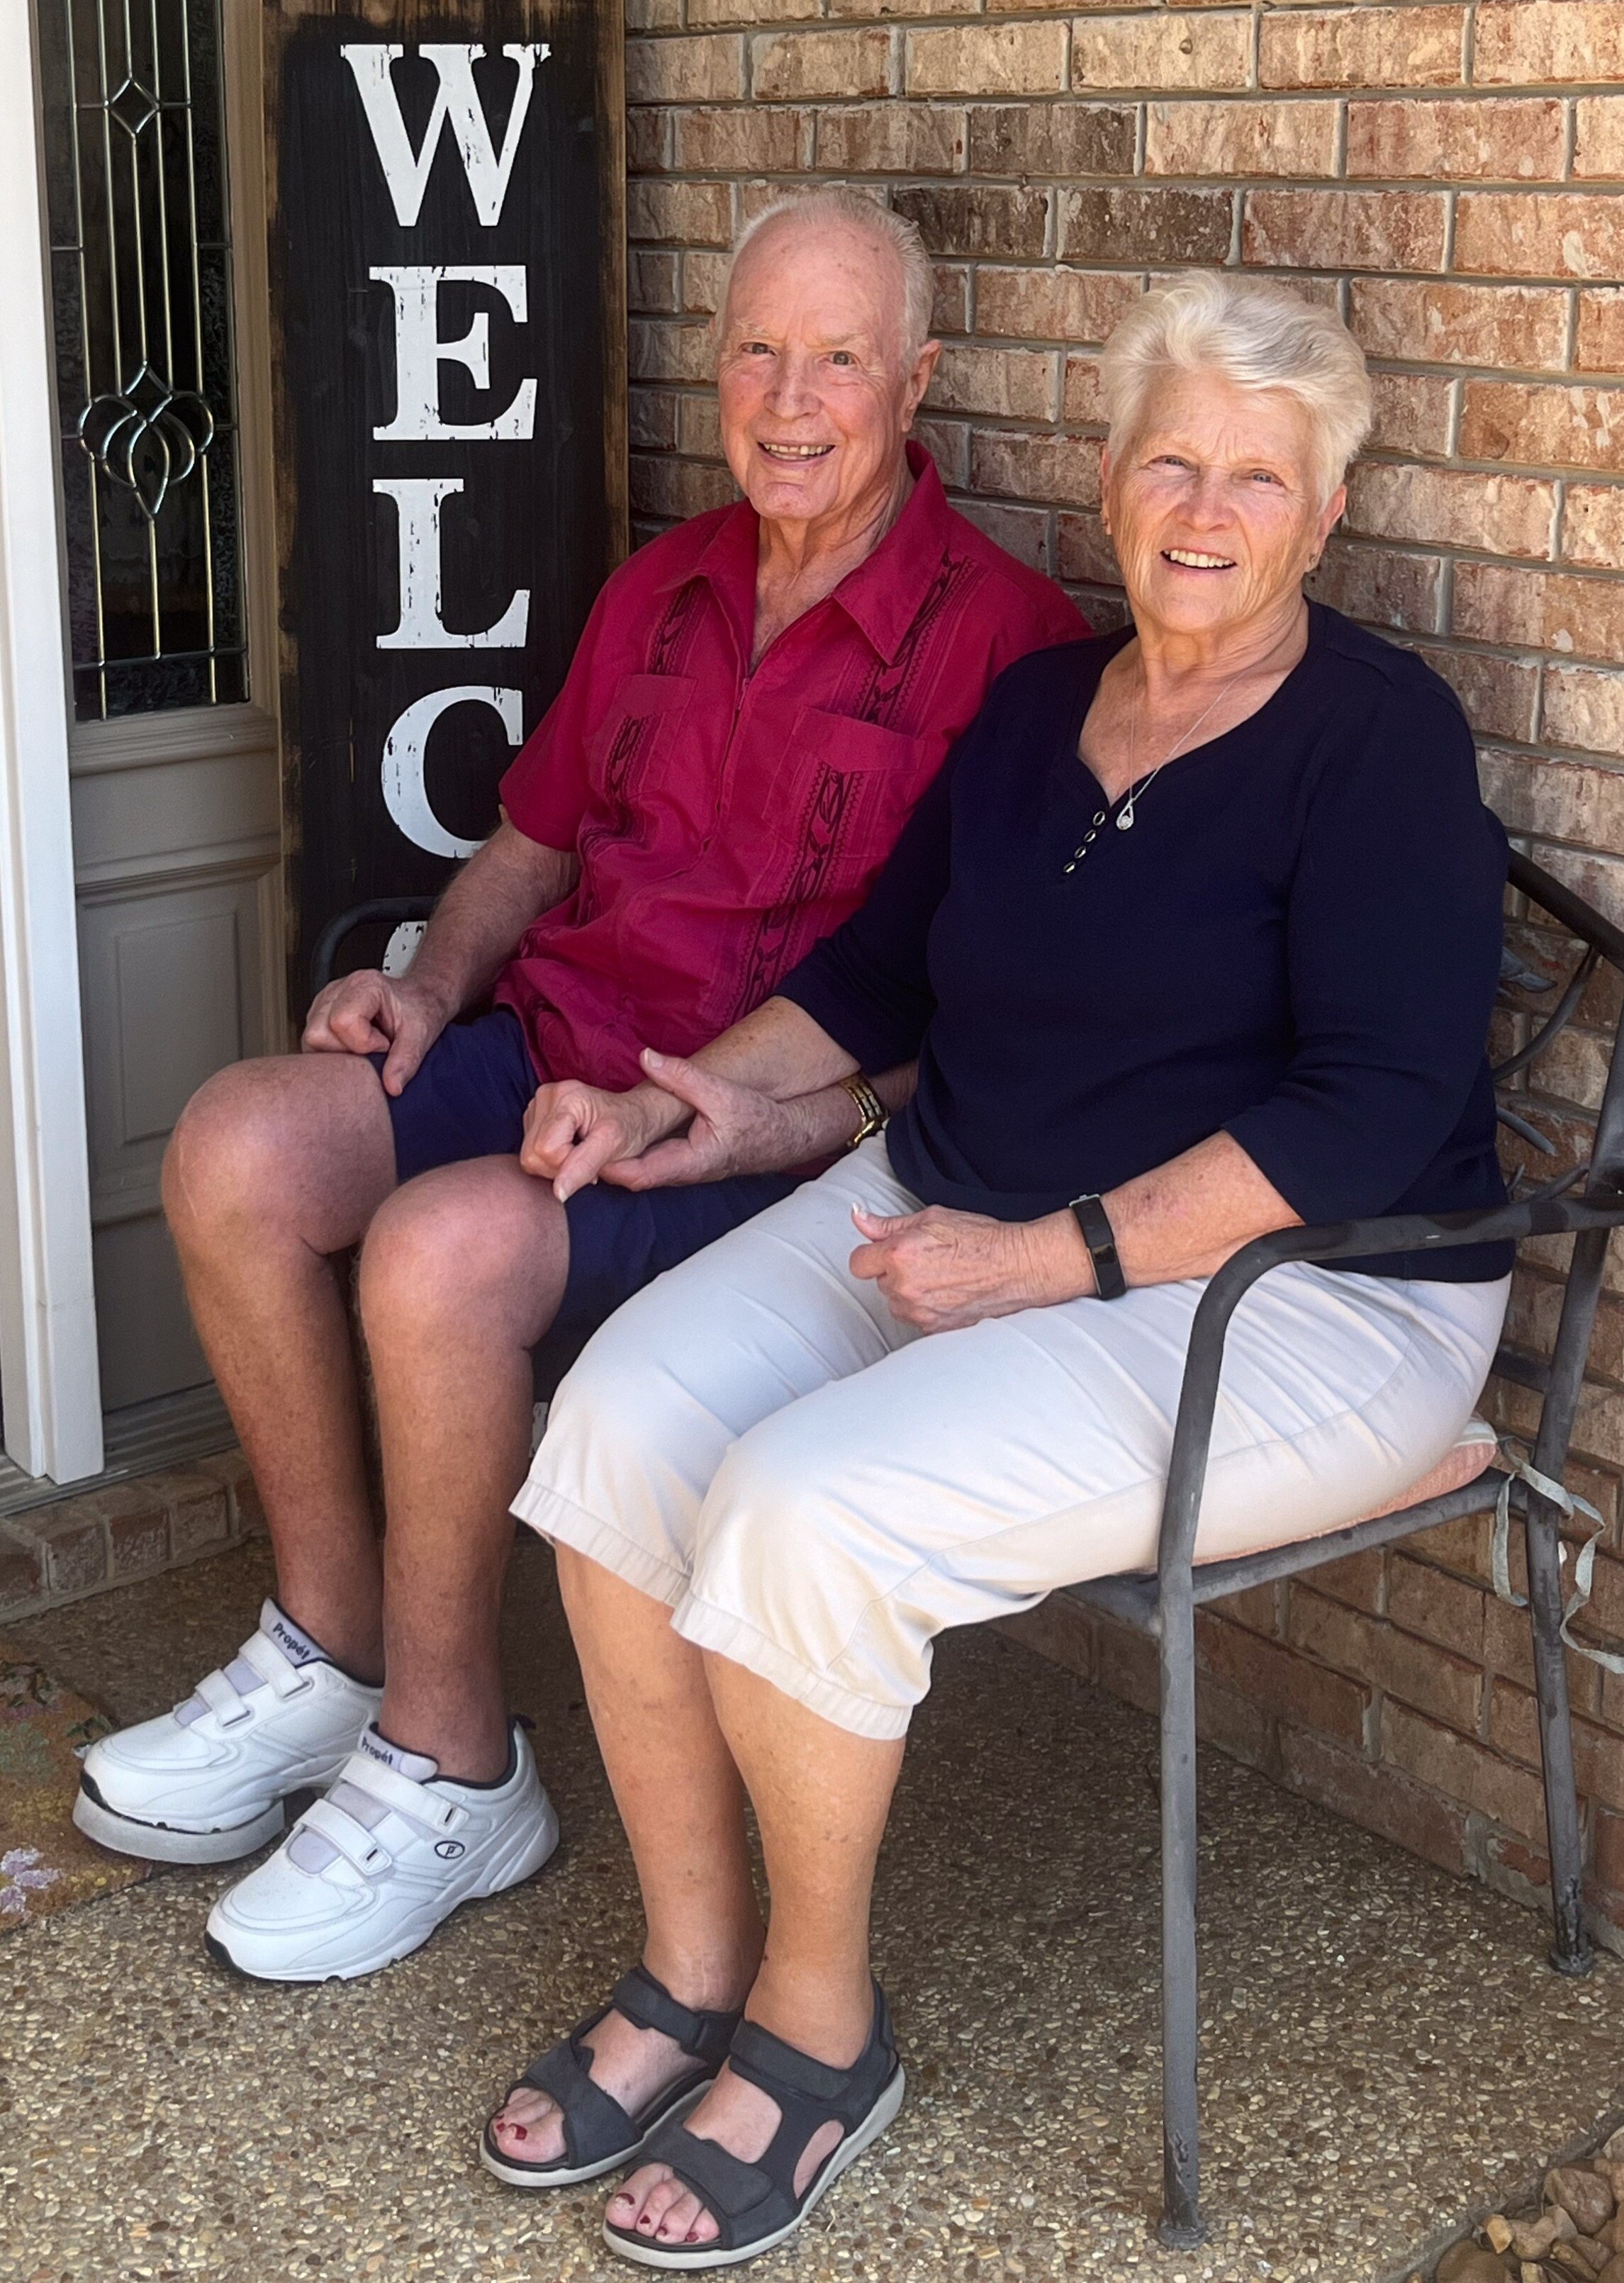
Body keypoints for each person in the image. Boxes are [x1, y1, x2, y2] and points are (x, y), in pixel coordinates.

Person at [488, 269, 1513, 2267]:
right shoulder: (1043, 704)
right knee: (613, 1424)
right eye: (1168, 458)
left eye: (1255, 476)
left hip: (1311, 1287)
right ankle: (693, 1963)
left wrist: (1060, 1255)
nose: (1201, 509)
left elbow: (1366, 1110)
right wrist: (684, 1094)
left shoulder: (1374, 739)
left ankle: (814, 2027)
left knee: (809, 1505)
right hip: (962, 1194)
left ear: (1322, 513)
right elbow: (877, 977)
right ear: (1112, 478)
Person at [73, 189, 1080, 1984]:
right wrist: (424, 985)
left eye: (838, 356)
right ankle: (331, 1650)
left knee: (445, 1255)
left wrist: (790, 1118)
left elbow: (1004, 999)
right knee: (236, 1143)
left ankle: (459, 1763)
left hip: (746, 1147)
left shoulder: (1012, 647)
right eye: (757, 349)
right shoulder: (665, 587)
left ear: (915, 380)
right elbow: (529, 844)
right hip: (541, 1046)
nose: (789, 395)